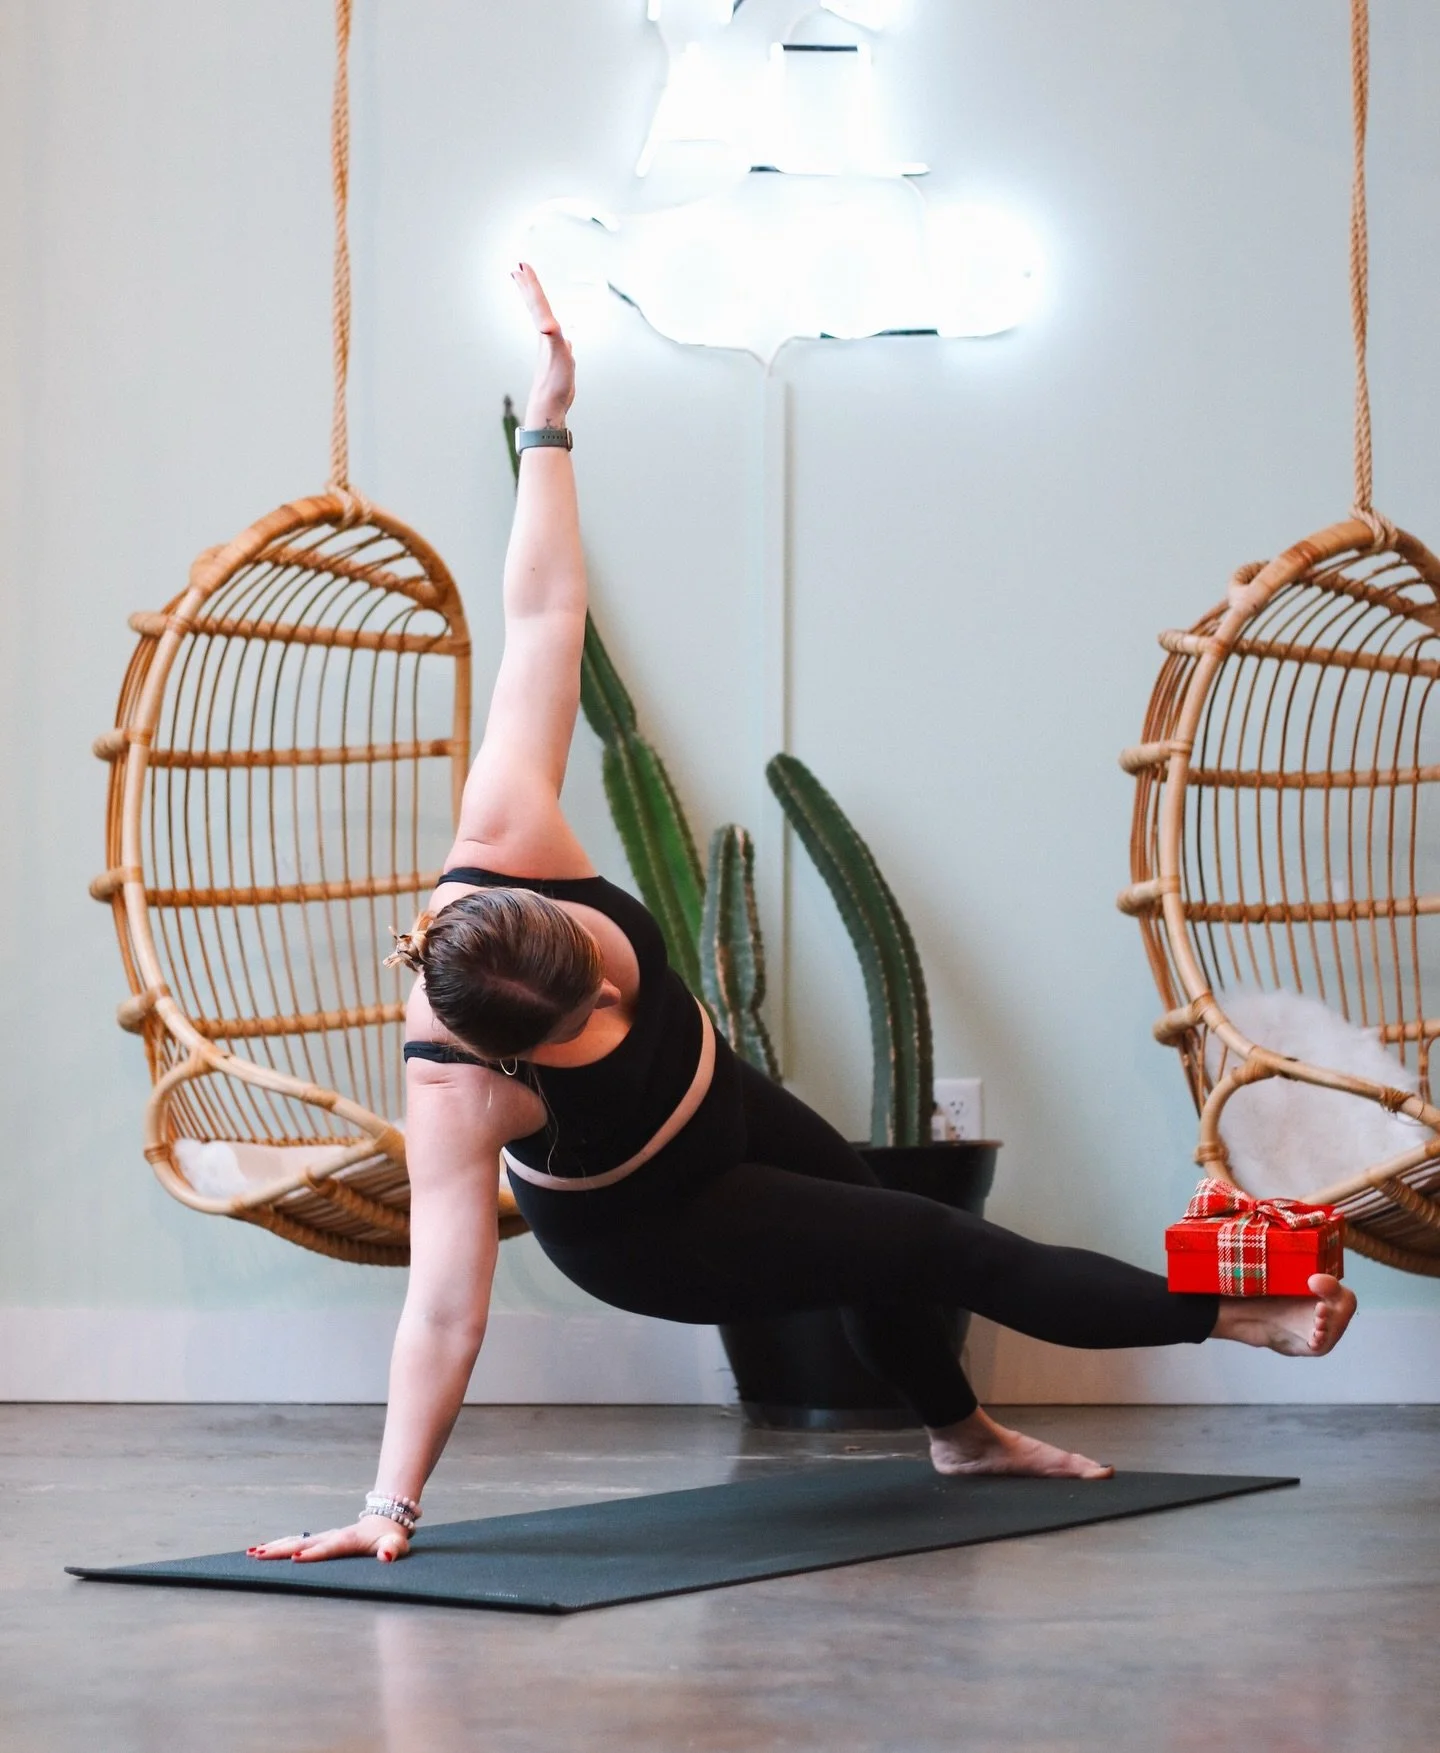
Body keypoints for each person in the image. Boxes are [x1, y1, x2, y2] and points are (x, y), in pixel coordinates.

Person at [250, 266, 1357, 1567]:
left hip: (721, 1102)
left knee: (883, 1234)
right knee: (940, 1242)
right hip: (647, 1229)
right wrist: (387, 1509)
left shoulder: (509, 841)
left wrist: (547, 426)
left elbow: (543, 614)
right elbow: (444, 1310)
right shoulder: (453, 1090)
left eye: (602, 970)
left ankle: (963, 1437)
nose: (615, 999)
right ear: (506, 1065)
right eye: (580, 1029)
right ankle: (1239, 1321)